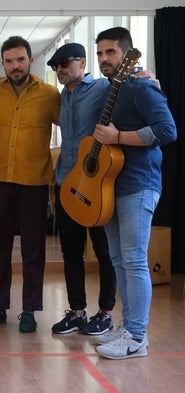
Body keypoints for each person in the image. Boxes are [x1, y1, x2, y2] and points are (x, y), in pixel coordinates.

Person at [91, 27, 176, 359]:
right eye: (99, 53)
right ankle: (127, 328)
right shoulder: (113, 89)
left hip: (139, 185)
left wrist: (119, 137)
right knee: (119, 261)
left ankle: (137, 336)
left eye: (110, 52)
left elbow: (167, 130)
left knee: (134, 260)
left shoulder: (141, 87)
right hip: (111, 188)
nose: (103, 59)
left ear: (127, 55)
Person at [0, 36, 60, 333]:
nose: (15, 65)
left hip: (34, 183)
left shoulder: (49, 94)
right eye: (9, 61)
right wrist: (2, 79)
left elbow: (72, 121)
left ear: (30, 60)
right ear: (3, 63)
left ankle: (29, 311)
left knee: (34, 249)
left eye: (20, 60)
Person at [46, 43, 117, 335]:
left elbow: (129, 86)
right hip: (66, 183)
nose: (60, 69)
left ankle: (106, 312)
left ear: (83, 62)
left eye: (65, 63)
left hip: (97, 187)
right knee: (71, 252)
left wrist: (144, 74)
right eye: (55, 66)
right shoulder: (63, 96)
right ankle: (77, 312)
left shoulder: (103, 88)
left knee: (104, 251)